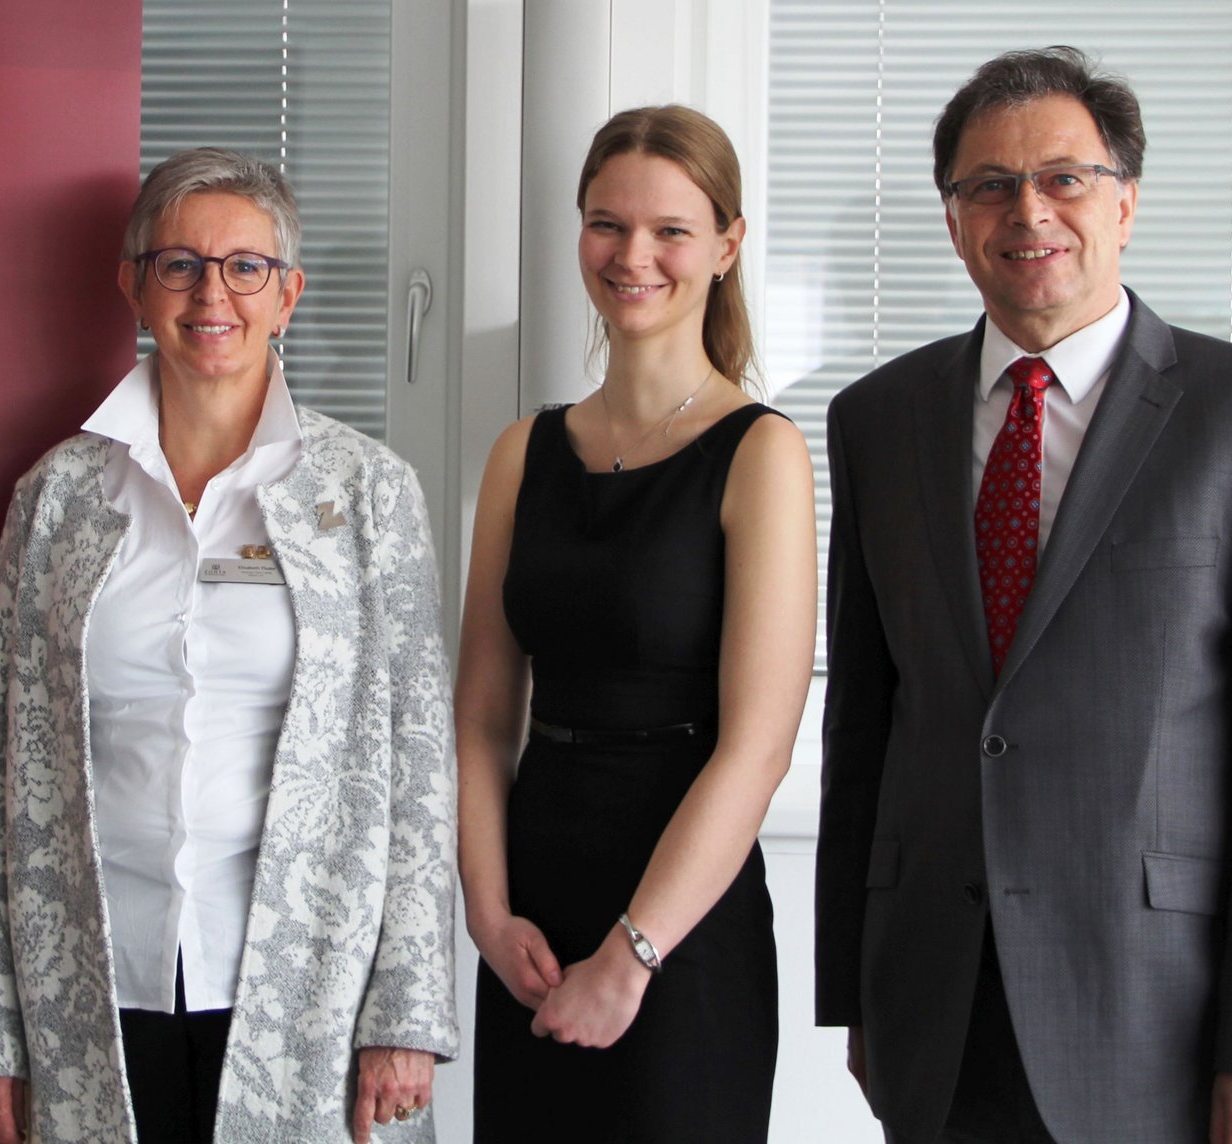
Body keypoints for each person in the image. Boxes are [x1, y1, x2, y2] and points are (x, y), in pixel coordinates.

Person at [816, 46, 1232, 1144]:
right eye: (989, 185)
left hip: (1160, 1020)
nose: (1028, 210)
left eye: (1063, 177)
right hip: (935, 1005)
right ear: (953, 220)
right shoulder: (876, 421)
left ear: (1125, 203)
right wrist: (855, 988)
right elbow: (866, 725)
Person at [0, 148, 458, 1144]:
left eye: (245, 267)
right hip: (93, 982)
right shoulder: (57, 498)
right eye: (179, 264)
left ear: (288, 294)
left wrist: (408, 1011)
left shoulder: (370, 494)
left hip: (312, 986)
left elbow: (420, 772)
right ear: (133, 284)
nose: (211, 292)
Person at [456, 105, 815, 1142]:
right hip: (532, 905)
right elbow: (482, 716)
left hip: (682, 925)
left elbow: (758, 749)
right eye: (606, 224)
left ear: (726, 246)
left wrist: (633, 955)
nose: (634, 256)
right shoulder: (524, 451)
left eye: (670, 230)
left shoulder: (762, 453)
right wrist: (486, 913)